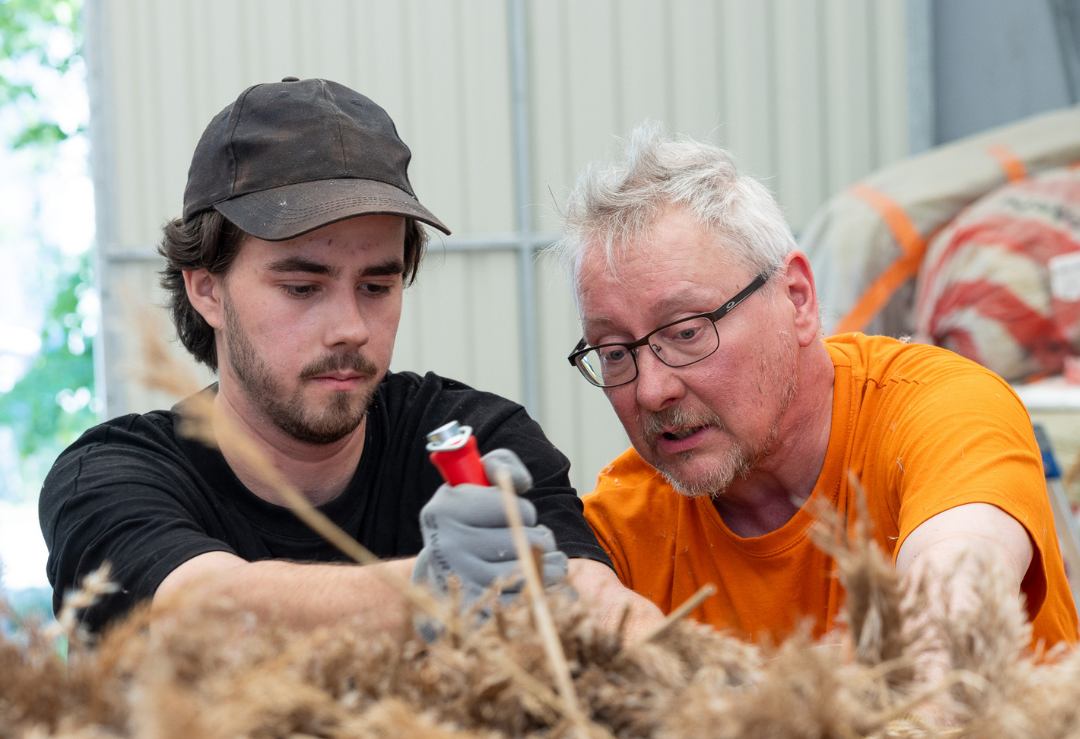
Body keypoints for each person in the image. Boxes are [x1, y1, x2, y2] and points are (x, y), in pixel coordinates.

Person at [40, 78, 660, 637]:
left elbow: (590, 598)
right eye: (302, 288)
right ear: (206, 289)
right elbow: (201, 610)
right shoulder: (107, 476)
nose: (350, 329)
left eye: (376, 286)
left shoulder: (475, 440)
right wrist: (426, 594)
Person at [561, 124, 1078, 649]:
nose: (651, 390)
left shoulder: (941, 412)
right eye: (614, 353)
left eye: (687, 332)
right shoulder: (626, 528)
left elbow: (955, 597)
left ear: (798, 298)